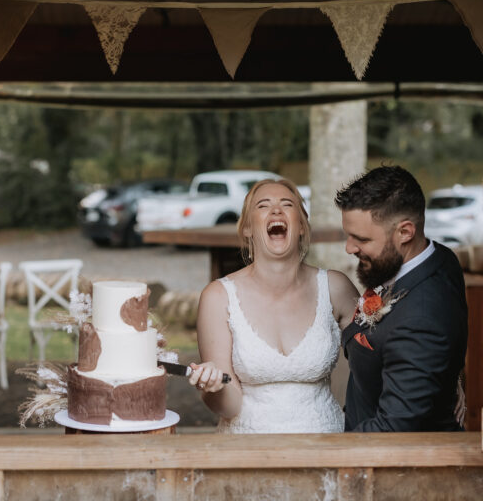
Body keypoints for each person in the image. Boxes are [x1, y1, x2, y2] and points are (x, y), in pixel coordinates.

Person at [188, 178, 359, 433]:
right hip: (248, 450)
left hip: (326, 445)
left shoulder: (336, 287)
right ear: (247, 228)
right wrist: (213, 388)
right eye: (263, 205)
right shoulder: (218, 296)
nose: (276, 211)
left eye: (287, 204)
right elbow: (230, 406)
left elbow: (375, 366)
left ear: (301, 226)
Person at [336, 165, 467, 432]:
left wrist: (324, 451)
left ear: (405, 232)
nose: (349, 248)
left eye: (361, 239)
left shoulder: (421, 317)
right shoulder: (438, 258)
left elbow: (393, 427)